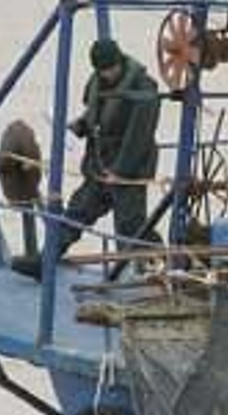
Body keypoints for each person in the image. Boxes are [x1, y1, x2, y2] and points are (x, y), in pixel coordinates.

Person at [57, 38, 163, 256]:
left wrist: (120, 172)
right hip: (100, 165)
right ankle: (48, 256)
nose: (107, 74)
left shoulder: (143, 87)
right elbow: (96, 114)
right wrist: (81, 125)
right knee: (78, 209)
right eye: (102, 70)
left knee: (130, 224)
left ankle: (156, 261)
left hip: (129, 171)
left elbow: (139, 136)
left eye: (110, 69)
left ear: (120, 61)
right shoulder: (97, 81)